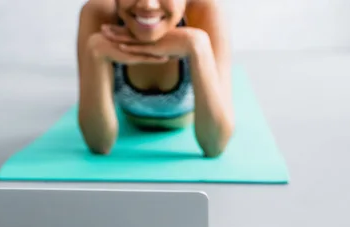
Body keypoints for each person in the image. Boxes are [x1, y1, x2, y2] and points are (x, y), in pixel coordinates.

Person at [77, 0, 234, 157]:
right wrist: (95, 50)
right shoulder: (98, 13)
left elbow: (215, 145)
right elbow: (98, 144)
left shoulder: (204, 12)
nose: (148, 5)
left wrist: (198, 46)